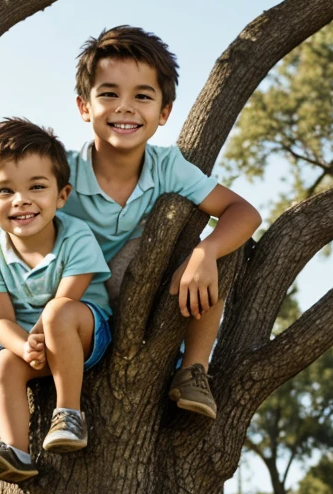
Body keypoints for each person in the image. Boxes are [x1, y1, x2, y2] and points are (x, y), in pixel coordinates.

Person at [63, 26, 261, 420]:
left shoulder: (167, 166)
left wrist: (205, 252)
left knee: (216, 249)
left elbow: (245, 213)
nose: (125, 107)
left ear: (164, 112)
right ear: (84, 107)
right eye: (108, 94)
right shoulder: (61, 173)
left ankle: (193, 370)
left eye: (142, 96)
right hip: (77, 310)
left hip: (146, 300)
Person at [0, 119, 112, 483]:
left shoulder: (76, 236)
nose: (21, 199)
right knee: (5, 366)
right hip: (26, 341)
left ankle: (69, 414)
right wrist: (23, 347)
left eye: (37, 186)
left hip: (80, 334)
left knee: (57, 310)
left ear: (62, 196)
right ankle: (15, 451)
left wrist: (40, 339)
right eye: (4, 191)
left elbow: (66, 300)